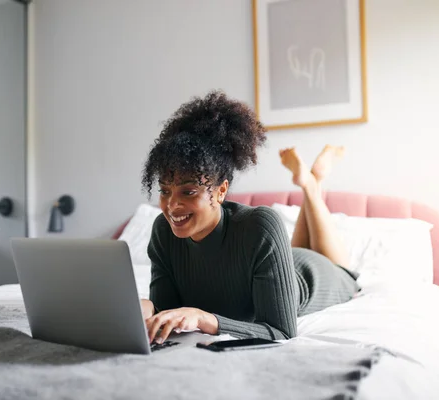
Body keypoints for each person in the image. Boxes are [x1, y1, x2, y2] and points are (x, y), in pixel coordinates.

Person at [139, 90, 360, 345]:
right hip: (281, 262)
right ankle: (312, 180)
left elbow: (282, 332)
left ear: (221, 190)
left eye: (188, 191)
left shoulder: (260, 226)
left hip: (317, 275)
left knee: (339, 265)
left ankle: (312, 185)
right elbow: (168, 314)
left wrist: (204, 318)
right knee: (291, 249)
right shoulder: (163, 232)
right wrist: (147, 308)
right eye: (165, 191)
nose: (172, 205)